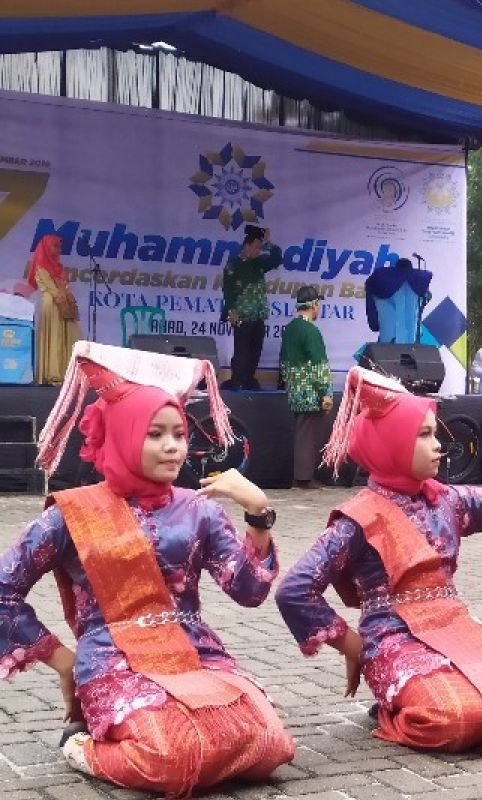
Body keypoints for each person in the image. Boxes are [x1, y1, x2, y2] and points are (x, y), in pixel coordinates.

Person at [3, 341, 294, 796]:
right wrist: (63, 661)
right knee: (170, 758)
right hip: (113, 662)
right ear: (121, 433)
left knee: (269, 745)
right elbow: (4, 589)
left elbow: (249, 590)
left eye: (179, 434)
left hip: (195, 654)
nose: (173, 446)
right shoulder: (71, 513)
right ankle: (82, 746)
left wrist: (257, 510)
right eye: (155, 434)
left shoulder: (199, 510)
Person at [277, 367, 482, 756]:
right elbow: (295, 590)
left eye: (435, 433)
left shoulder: (447, 500)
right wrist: (353, 646)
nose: (438, 446)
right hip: (392, 640)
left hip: (454, 628)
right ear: (390, 442)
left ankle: (411, 698)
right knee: (453, 720)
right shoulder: (357, 519)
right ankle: (392, 707)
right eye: (424, 435)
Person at [279, 286, 333, 489]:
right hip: (310, 389)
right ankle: (303, 477)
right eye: (318, 304)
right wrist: (325, 393)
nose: (319, 309)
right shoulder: (311, 330)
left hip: (294, 387)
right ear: (313, 305)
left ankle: (301, 475)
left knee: (302, 431)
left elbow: (283, 361)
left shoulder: (290, 328)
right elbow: (319, 365)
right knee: (308, 434)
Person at [221, 225, 282, 390]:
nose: (258, 251)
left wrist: (269, 243)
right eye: (256, 247)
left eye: (260, 248)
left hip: (258, 315)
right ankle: (238, 381)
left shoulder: (259, 264)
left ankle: (248, 380)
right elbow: (228, 291)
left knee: (255, 351)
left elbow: (277, 260)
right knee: (242, 351)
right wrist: (231, 311)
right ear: (246, 245)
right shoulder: (234, 265)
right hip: (242, 316)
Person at [26, 233, 81, 385]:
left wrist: (69, 298)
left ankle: (65, 372)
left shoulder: (59, 267)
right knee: (53, 337)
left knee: (65, 336)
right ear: (46, 247)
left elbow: (65, 286)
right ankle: (51, 374)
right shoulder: (40, 266)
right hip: (51, 304)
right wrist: (63, 295)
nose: (59, 249)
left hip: (62, 303)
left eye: (59, 246)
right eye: (55, 246)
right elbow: (51, 289)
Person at [365, 257, 432, 345]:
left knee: (387, 356)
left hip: (389, 336)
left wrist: (374, 324)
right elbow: (427, 297)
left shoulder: (381, 280)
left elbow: (371, 307)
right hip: (412, 337)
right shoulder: (419, 283)